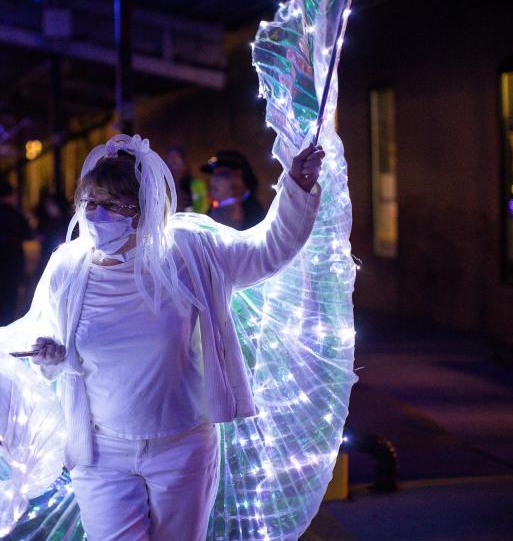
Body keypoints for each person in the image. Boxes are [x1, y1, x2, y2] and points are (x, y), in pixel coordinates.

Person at [23, 133, 324, 541]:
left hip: (181, 447)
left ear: (144, 210)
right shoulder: (68, 269)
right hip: (100, 452)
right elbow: (50, 342)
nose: (97, 215)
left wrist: (297, 188)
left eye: (113, 204)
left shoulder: (188, 252)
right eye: (90, 202)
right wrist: (50, 354)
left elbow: (267, 250)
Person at [0, 181, 32, 325]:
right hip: (14, 259)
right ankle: (8, 322)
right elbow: (27, 234)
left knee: (0, 291)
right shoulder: (16, 214)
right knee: (12, 293)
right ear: (11, 195)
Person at [200, 149, 266, 230]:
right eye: (213, 174)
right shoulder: (215, 208)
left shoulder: (251, 213)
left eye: (222, 174)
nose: (213, 180)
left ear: (240, 178)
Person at [165, 145, 210, 213]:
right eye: (169, 161)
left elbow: (203, 210)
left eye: (175, 161)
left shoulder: (198, 185)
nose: (172, 165)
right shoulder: (163, 186)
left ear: (184, 163)